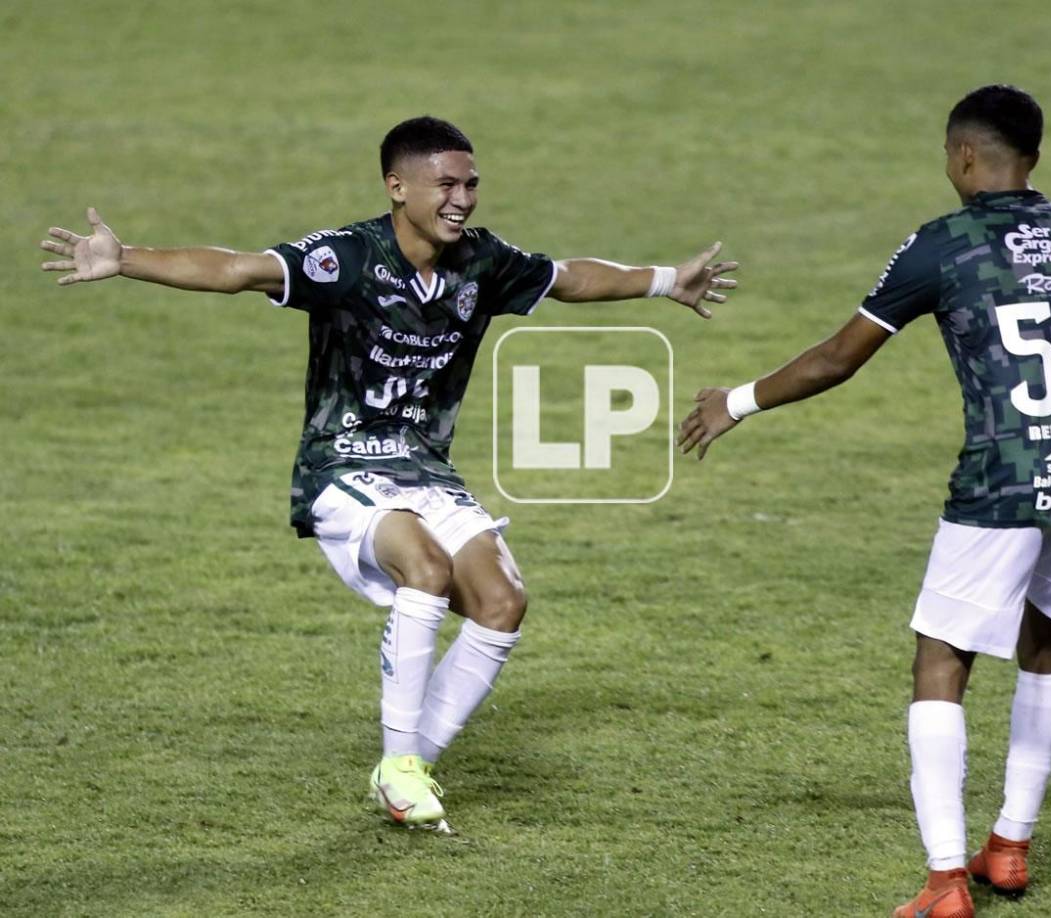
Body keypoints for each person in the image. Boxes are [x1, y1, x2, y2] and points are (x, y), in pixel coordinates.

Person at [41, 115, 738, 833]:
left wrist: (666, 281)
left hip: (424, 468)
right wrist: (125, 259)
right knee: (426, 568)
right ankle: (402, 764)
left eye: (470, 184)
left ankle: (404, 771)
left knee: (502, 603)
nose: (461, 199)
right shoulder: (348, 256)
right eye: (445, 184)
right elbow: (240, 269)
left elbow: (567, 279)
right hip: (341, 465)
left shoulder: (481, 261)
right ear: (397, 186)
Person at [677, 85, 1051, 917]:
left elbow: (837, 359)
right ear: (1036, 155)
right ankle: (1011, 847)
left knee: (941, 659)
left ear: (961, 156)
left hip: (1003, 475)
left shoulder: (943, 245)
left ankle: (948, 878)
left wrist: (733, 401)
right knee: (1044, 638)